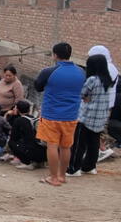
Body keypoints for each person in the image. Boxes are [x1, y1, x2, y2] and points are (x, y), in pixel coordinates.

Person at [34, 42, 85, 186]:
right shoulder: (81, 72)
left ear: (55, 55)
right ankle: (62, 176)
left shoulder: (49, 71)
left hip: (51, 114)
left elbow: (38, 86)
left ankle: (53, 177)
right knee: (66, 146)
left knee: (52, 145)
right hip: (71, 115)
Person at [66, 54, 114, 177]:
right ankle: (89, 167)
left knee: (78, 144)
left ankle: (73, 169)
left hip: (87, 117)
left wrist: (86, 97)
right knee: (94, 143)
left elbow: (82, 93)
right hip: (100, 118)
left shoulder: (92, 79)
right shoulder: (108, 80)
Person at [88, 46, 118, 161]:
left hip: (101, 104)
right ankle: (101, 149)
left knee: (96, 128)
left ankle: (102, 150)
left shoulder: (108, 68)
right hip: (105, 103)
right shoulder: (110, 67)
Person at [6, 100, 47, 170]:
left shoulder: (19, 121)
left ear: (18, 109)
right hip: (43, 152)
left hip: (31, 152)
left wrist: (8, 115)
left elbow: (14, 137)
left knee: (11, 143)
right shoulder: (34, 118)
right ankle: (39, 162)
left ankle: (27, 162)